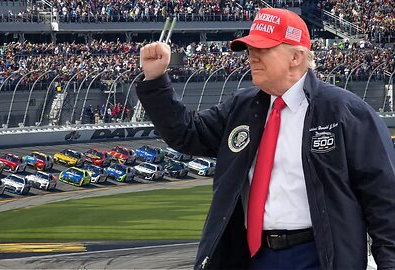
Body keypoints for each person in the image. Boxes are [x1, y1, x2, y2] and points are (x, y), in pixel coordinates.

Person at [136, 7, 395, 270]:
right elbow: (187, 134)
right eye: (250, 49)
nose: (252, 57)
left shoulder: (344, 112)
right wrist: (156, 80)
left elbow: (385, 201)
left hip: (319, 255)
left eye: (263, 49)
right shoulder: (242, 107)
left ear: (296, 57)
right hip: (253, 255)